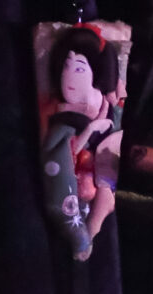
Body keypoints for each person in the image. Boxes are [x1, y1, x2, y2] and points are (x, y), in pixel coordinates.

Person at [40, 25, 123, 261]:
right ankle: (75, 224)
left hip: (93, 175)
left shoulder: (105, 106)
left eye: (78, 68)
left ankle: (90, 222)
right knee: (58, 160)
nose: (69, 77)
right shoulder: (60, 114)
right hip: (69, 167)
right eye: (66, 67)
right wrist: (90, 129)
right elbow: (64, 149)